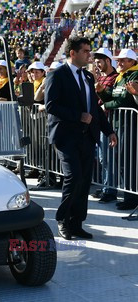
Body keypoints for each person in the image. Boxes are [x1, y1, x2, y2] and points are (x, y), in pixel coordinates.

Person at [45, 36, 117, 240]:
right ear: (73, 53)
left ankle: (77, 223)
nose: (89, 54)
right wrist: (78, 116)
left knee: (84, 181)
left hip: (87, 137)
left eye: (89, 50)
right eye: (85, 51)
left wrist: (109, 130)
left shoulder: (87, 77)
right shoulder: (57, 75)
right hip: (66, 136)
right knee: (73, 176)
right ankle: (63, 220)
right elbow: (51, 106)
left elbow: (94, 107)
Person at [96, 48, 138, 210]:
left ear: (132, 62)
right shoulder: (121, 77)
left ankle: (132, 198)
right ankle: (128, 194)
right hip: (118, 123)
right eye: (118, 60)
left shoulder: (135, 75)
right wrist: (102, 93)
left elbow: (124, 101)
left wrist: (105, 104)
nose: (118, 63)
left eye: (123, 60)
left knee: (129, 162)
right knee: (121, 161)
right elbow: (115, 97)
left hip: (130, 124)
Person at [90, 48, 119, 203]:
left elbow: (110, 98)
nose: (97, 65)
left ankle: (110, 190)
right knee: (102, 158)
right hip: (101, 122)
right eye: (95, 62)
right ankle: (106, 186)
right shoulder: (100, 79)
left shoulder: (115, 78)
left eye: (99, 61)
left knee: (106, 158)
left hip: (109, 122)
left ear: (108, 61)